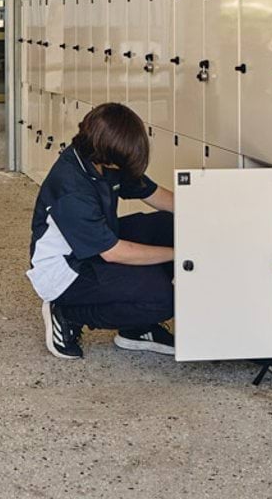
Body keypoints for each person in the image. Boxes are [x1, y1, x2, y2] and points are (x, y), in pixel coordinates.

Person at [27, 102, 176, 359]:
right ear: (107, 154)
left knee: (170, 225)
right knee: (163, 299)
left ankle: (136, 329)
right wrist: (183, 253)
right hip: (68, 271)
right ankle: (67, 312)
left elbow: (153, 194)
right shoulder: (72, 187)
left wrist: (205, 215)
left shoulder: (102, 160)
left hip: (97, 244)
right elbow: (113, 253)